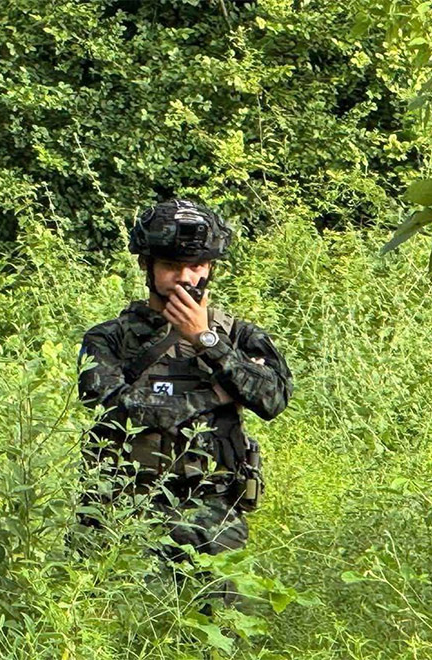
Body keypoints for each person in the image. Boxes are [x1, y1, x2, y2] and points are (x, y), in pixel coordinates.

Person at [77, 199, 292, 568]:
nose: (186, 279)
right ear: (147, 266)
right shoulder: (109, 339)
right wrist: (216, 393)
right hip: (122, 510)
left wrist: (207, 340)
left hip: (212, 515)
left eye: (196, 266)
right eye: (172, 267)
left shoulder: (237, 336)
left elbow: (273, 399)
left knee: (219, 622)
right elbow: (115, 407)